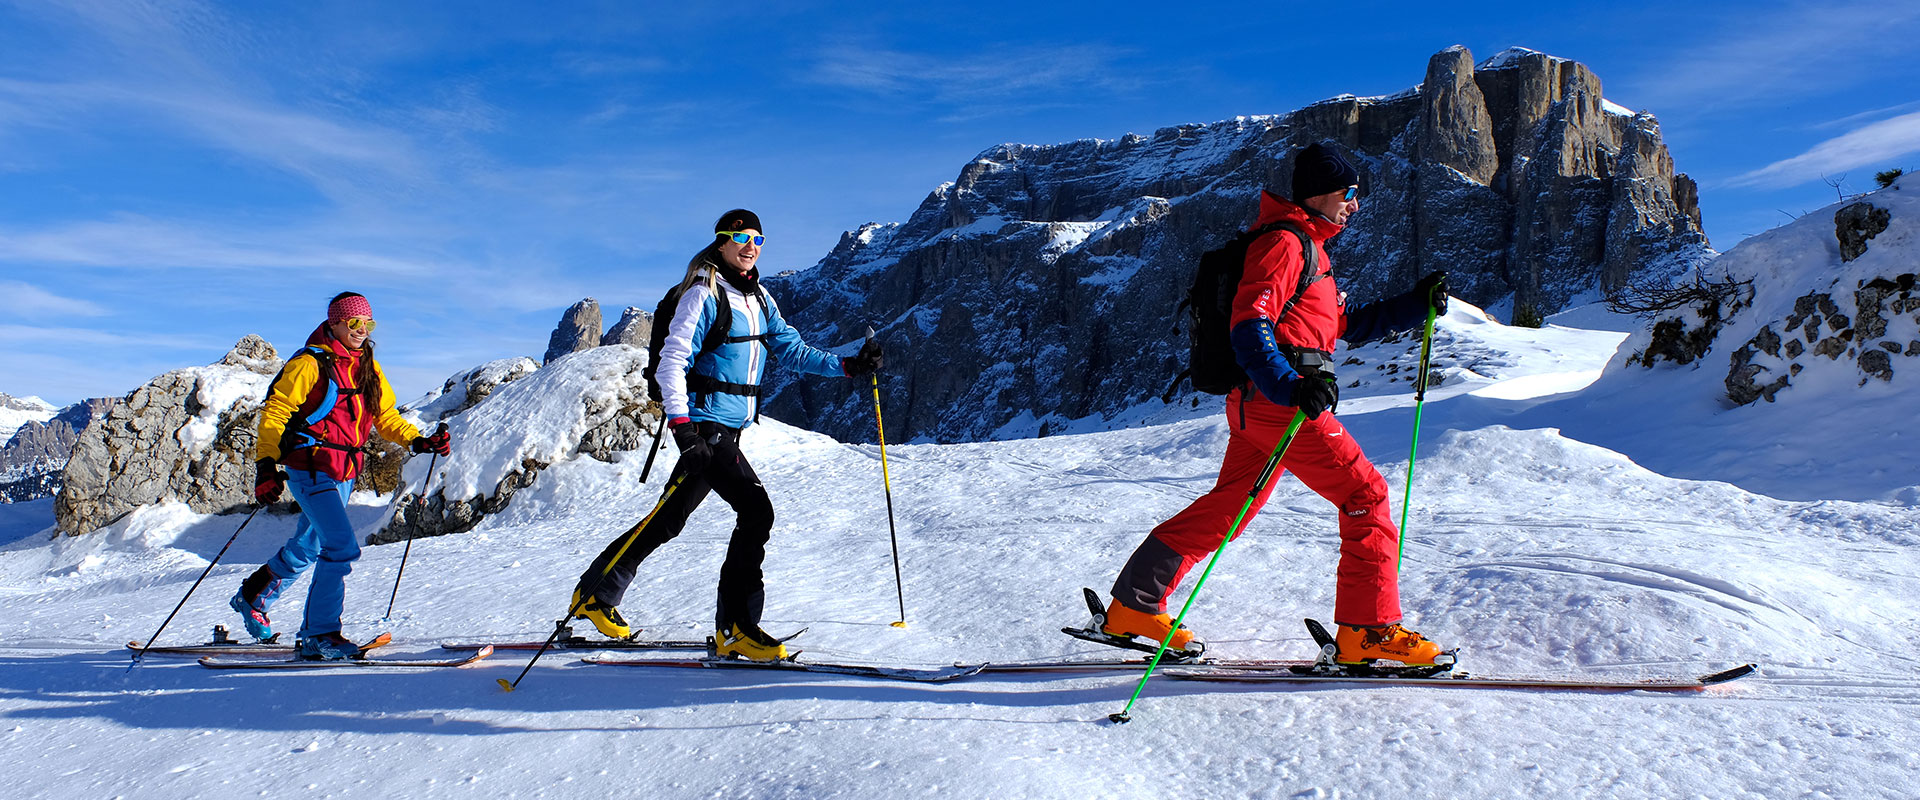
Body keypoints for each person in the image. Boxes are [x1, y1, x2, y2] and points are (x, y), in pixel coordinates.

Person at [1100, 142, 1451, 666]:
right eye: (1347, 194)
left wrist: (1413, 304)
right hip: (1281, 405)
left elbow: (1344, 327)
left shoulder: (1310, 248)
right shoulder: (1286, 243)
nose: (1354, 204)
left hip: (1258, 406)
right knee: (1367, 498)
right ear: (1318, 195)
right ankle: (1367, 633)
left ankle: (1133, 605)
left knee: (1232, 507)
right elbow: (1250, 323)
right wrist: (1288, 386)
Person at [569, 209, 884, 662]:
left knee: (669, 517)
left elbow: (790, 349)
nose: (750, 244)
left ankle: (594, 594)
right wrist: (684, 431)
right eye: (740, 237)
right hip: (705, 427)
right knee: (757, 512)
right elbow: (672, 362)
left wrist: (848, 365)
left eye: (757, 238)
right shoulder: (704, 292)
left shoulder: (759, 297)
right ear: (721, 242)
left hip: (726, 429)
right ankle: (736, 627)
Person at [231, 292, 452, 660]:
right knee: (342, 547)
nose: (361, 330)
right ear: (334, 322)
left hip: (344, 472)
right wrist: (266, 464)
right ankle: (319, 634)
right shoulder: (309, 364)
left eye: (368, 324)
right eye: (353, 323)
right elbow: (276, 413)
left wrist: (419, 440)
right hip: (311, 467)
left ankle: (253, 596)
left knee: (309, 547)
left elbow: (386, 418)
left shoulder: (367, 366)